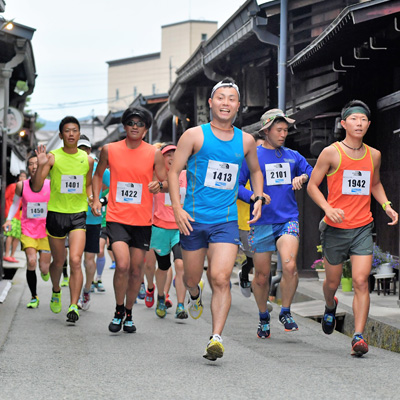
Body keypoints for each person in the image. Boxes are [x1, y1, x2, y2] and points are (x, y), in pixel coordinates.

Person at [168, 78, 265, 361]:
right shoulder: (194, 136)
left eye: (231, 98)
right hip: (193, 220)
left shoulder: (246, 140)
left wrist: (257, 197)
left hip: (225, 221)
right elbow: (174, 172)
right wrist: (177, 207)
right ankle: (194, 294)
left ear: (238, 105)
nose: (226, 103)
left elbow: (256, 172)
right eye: (220, 97)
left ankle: (216, 338)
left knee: (221, 277)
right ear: (210, 103)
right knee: (191, 278)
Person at [307, 100, 398, 357]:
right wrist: (327, 209)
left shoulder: (374, 155)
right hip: (335, 228)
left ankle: (358, 336)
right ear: (344, 123)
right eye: (354, 119)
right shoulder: (331, 153)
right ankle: (329, 305)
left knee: (360, 281)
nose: (359, 123)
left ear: (368, 125)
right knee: (332, 283)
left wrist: (387, 205)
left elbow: (375, 183)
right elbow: (313, 185)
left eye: (363, 120)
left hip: (361, 227)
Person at [238, 108, 313, 339]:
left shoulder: (292, 155)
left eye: (285, 130)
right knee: (261, 275)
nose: (283, 134)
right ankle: (263, 316)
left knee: (290, 265)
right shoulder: (253, 157)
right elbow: (237, 186)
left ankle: (286, 311)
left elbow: (311, 171)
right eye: (279, 130)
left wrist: (304, 176)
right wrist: (253, 197)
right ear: (266, 130)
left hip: (288, 219)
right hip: (261, 222)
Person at [92, 106, 167, 334]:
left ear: (146, 130)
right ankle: (117, 310)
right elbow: (97, 175)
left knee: (136, 270)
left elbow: (164, 182)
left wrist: (158, 185)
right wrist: (96, 199)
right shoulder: (110, 149)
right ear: (124, 126)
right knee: (122, 264)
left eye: (140, 124)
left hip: (142, 221)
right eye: (131, 123)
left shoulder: (154, 153)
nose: (135, 127)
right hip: (116, 218)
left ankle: (129, 312)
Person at [32, 116, 94, 324]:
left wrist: (92, 199)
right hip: (56, 214)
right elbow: (37, 186)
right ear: (60, 135)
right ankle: (56, 290)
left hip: (78, 214)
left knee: (76, 260)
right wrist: (41, 166)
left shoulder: (88, 160)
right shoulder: (52, 157)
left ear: (79, 134)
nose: (70, 134)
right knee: (58, 262)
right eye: (67, 130)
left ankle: (73, 305)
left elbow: (87, 185)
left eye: (74, 130)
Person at [2, 155, 50, 308]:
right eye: (31, 164)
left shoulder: (50, 184)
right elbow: (16, 204)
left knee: (44, 268)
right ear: (28, 168)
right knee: (31, 261)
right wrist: (9, 219)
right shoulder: (21, 186)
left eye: (37, 163)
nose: (34, 166)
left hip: (46, 230)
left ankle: (45, 271)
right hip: (28, 229)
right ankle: (34, 296)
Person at [150, 142, 188, 319]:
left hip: (180, 227)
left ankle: (181, 305)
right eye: (168, 155)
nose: (172, 158)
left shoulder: (188, 176)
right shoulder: (154, 177)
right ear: (161, 158)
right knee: (163, 267)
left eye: (176, 154)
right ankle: (160, 296)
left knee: (180, 265)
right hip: (159, 228)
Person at [77, 135, 110, 310]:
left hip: (93, 219)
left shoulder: (99, 168)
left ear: (90, 151)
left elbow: (114, 187)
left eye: (86, 149)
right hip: (72, 217)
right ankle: (72, 296)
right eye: (79, 149)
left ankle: (87, 290)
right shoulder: (70, 166)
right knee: (74, 260)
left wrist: (101, 200)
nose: (83, 153)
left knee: (89, 259)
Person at [3, 171, 27, 263]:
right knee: (10, 234)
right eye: (21, 176)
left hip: (18, 215)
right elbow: (4, 197)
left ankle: (12, 255)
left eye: (24, 176)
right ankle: (7, 255)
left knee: (17, 235)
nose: (22, 178)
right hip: (10, 214)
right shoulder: (13, 186)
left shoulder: (24, 188)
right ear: (18, 177)